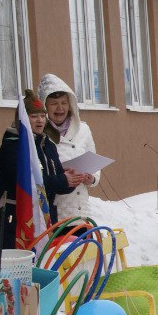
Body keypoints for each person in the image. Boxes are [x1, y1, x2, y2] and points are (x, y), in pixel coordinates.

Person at [0, 90, 79, 248]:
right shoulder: (13, 145)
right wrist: (62, 180)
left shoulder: (47, 145)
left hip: (43, 218)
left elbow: (54, 182)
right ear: (22, 119)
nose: (40, 120)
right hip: (13, 218)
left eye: (42, 116)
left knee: (42, 260)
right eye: (34, 116)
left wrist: (71, 180)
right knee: (13, 261)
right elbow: (26, 182)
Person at [36, 73, 102, 222]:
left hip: (81, 210)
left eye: (64, 103)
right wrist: (62, 176)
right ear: (45, 106)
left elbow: (93, 161)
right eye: (54, 103)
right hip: (54, 213)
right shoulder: (40, 135)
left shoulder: (83, 129)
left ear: (70, 104)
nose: (60, 108)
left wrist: (91, 179)